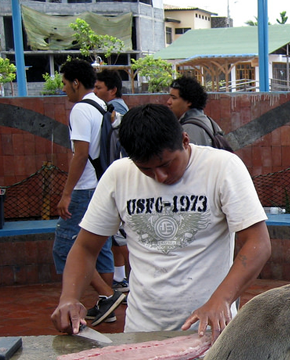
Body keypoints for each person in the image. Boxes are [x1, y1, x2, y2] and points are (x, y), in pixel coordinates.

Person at [50, 103, 271, 341]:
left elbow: (257, 244)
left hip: (209, 330)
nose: (160, 177)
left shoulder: (222, 167)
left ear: (185, 141)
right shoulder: (118, 175)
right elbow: (85, 247)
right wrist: (69, 298)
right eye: (146, 169)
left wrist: (222, 299)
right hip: (142, 329)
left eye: (166, 164)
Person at [54, 59, 125, 326]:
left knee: (66, 248)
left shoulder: (81, 110)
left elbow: (81, 154)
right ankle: (105, 306)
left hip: (85, 187)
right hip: (101, 185)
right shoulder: (101, 106)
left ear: (75, 82)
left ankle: (107, 295)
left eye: (64, 83)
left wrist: (66, 193)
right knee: (102, 247)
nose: (63, 89)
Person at [94, 68, 131, 294]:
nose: (95, 92)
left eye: (99, 88)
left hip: (118, 179)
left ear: (112, 89)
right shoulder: (118, 109)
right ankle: (120, 278)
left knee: (121, 236)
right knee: (117, 236)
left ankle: (130, 277)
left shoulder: (115, 111)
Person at [167, 75, 215, 146]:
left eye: (174, 98)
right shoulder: (209, 121)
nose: (168, 102)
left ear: (189, 102)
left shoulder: (189, 130)